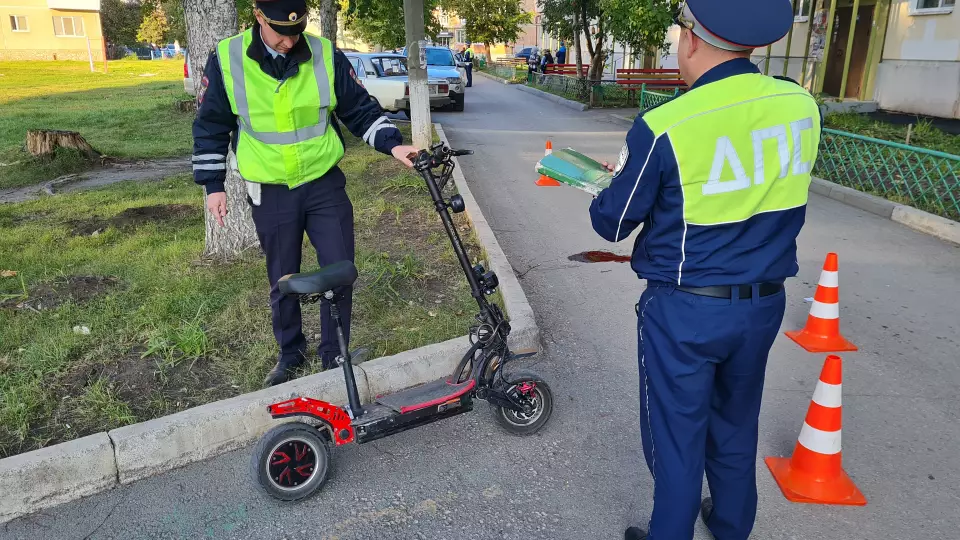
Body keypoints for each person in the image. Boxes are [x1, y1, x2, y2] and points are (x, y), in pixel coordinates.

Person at [587, 1, 821, 539]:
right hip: (763, 303)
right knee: (736, 425)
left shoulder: (666, 124)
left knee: (676, 437)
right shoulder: (800, 105)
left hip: (686, 311)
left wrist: (613, 183)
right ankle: (733, 525)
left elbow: (614, 222)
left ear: (691, 39)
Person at [192, 0, 418, 387]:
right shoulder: (227, 58)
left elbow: (359, 109)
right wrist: (213, 186)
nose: (289, 40)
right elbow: (211, 124)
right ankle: (290, 353)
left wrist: (395, 145)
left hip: (323, 182)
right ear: (258, 16)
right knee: (283, 277)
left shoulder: (324, 53)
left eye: (296, 31)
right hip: (271, 189)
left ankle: (335, 352)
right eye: (281, 31)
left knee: (340, 269)